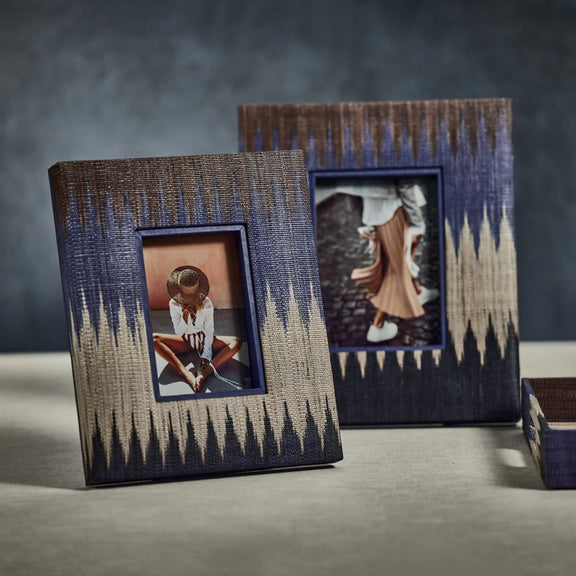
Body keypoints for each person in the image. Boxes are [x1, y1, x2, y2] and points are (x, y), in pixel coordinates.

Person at [327, 179, 438, 343]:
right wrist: (417, 223)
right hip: (394, 207)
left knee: (394, 262)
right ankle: (378, 326)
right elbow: (404, 180)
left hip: (374, 210)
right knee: (396, 269)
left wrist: (363, 221)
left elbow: (350, 184)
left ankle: (417, 292)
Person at [153, 265, 242, 392]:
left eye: (192, 295)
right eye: (185, 294)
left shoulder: (206, 303)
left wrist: (206, 355)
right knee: (154, 339)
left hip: (204, 339)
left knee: (237, 342)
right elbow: (179, 331)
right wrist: (184, 317)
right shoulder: (174, 303)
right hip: (185, 341)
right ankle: (186, 374)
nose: (188, 298)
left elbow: (209, 330)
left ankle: (204, 373)